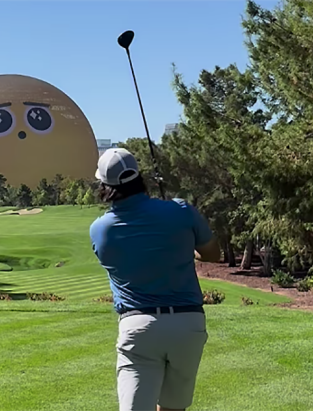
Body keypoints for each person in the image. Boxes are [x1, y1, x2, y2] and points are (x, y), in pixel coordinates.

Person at [89, 148, 220, 411]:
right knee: (173, 408)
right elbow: (212, 254)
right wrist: (182, 242)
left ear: (105, 187)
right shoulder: (182, 210)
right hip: (188, 324)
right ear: (140, 177)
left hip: (139, 325)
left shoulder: (100, 229)